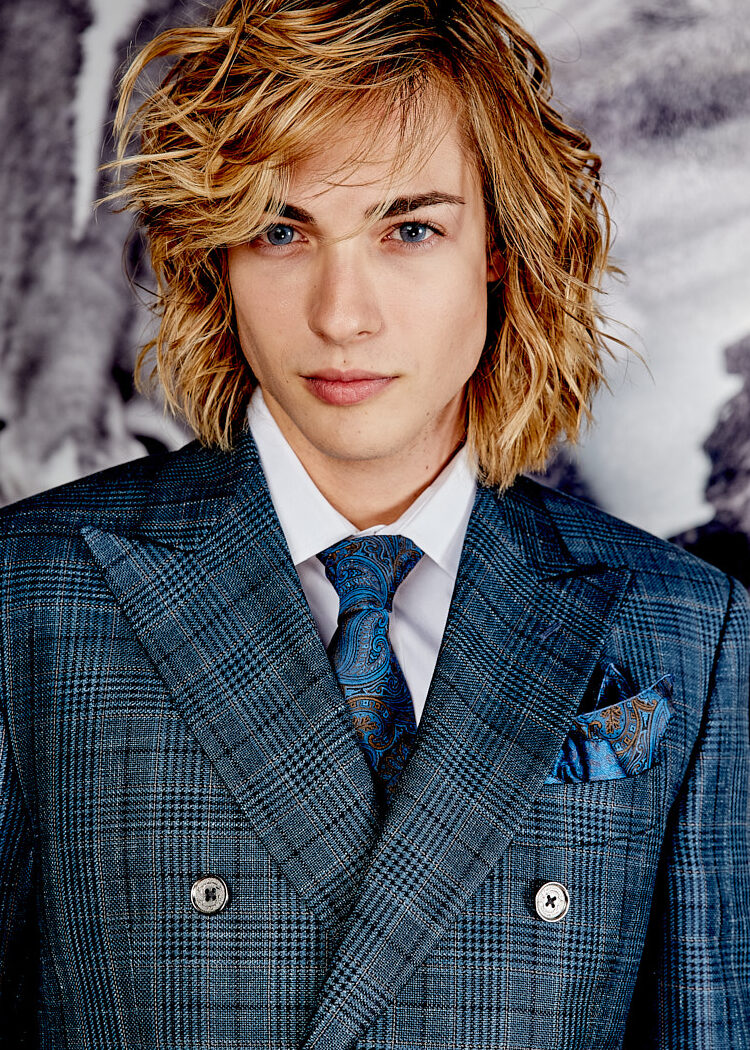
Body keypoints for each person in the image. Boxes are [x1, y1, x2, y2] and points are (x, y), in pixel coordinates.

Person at [0, 0, 748, 1045]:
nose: (342, 315)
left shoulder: (689, 629)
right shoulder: (28, 597)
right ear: (218, 254)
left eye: (410, 229)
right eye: (280, 229)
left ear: (500, 246)